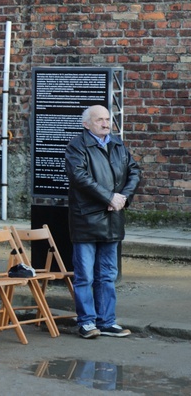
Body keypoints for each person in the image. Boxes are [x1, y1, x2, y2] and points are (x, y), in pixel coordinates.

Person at [65, 105, 141, 339]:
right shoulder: (76, 146)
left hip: (113, 217)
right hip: (86, 219)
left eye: (108, 119)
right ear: (86, 124)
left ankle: (107, 321)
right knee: (85, 275)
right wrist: (108, 197)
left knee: (107, 274)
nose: (106, 123)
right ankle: (87, 322)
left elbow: (134, 172)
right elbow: (79, 177)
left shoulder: (117, 144)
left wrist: (122, 198)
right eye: (100, 120)